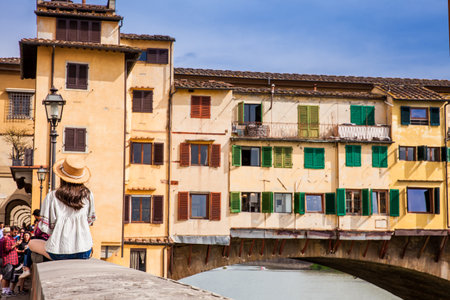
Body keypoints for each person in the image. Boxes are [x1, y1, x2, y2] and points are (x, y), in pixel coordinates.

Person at [28, 156, 96, 261]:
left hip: (58, 252)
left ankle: (26, 270)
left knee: (31, 243)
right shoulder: (88, 195)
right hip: (84, 251)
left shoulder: (52, 196)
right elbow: (89, 222)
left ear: (61, 177)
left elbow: (46, 228)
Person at [2, 226, 20, 297]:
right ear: (11, 231)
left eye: (17, 232)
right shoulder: (7, 239)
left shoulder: (12, 238)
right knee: (6, 276)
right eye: (15, 232)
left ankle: (7, 290)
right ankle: (4, 290)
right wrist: (15, 245)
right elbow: (6, 249)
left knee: (9, 276)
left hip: (12, 260)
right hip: (8, 260)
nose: (16, 233)